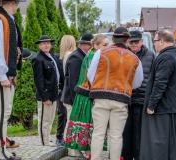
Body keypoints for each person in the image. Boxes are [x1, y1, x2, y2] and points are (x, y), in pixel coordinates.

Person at [88, 27, 143, 160]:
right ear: (127, 40)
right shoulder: (135, 58)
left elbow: (90, 75)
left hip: (101, 97)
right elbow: (137, 83)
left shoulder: (101, 52)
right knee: (116, 135)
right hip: (121, 99)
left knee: (98, 133)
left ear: (113, 39)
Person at [140, 30, 176, 160]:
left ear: (161, 41)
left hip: (165, 108)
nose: (154, 44)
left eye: (155, 41)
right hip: (174, 106)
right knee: (175, 146)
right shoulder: (175, 56)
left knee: (162, 146)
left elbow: (160, 83)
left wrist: (151, 105)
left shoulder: (165, 57)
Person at [0, 0, 26, 159]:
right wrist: (3, 75)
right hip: (1, 76)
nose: (18, 7)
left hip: (6, 75)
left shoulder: (7, 20)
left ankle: (3, 150)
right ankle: (0, 153)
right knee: (2, 113)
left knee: (4, 113)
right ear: (13, 3)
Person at [65, 34, 109, 158]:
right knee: (89, 123)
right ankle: (89, 153)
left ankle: (87, 152)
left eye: (107, 44)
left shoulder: (92, 55)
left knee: (89, 124)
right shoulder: (94, 56)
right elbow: (92, 77)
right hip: (87, 95)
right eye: (104, 44)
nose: (107, 47)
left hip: (86, 93)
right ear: (96, 45)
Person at [122, 30, 155, 160]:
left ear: (142, 41)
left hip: (143, 100)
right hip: (127, 100)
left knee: (141, 133)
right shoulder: (124, 55)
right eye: (131, 42)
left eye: (136, 41)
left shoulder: (150, 55)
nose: (134, 44)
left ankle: (140, 156)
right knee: (126, 132)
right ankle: (126, 156)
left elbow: (154, 77)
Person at [60, 33, 93, 156]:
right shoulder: (76, 57)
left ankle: (75, 148)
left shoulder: (83, 56)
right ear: (84, 44)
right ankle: (71, 150)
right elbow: (73, 81)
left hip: (75, 96)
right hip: (72, 97)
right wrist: (77, 101)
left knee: (73, 123)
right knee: (71, 122)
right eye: (90, 44)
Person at [32, 35, 63, 146]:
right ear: (39, 45)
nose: (47, 45)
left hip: (54, 94)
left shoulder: (52, 56)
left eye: (48, 43)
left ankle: (47, 138)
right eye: (44, 43)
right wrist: (44, 97)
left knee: (50, 120)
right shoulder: (38, 59)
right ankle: (44, 142)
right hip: (45, 95)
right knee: (44, 120)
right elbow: (38, 80)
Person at [56, 35, 76, 146]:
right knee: (63, 114)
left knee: (64, 114)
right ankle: (61, 136)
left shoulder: (64, 57)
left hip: (64, 89)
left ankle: (62, 137)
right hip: (64, 88)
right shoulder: (69, 56)